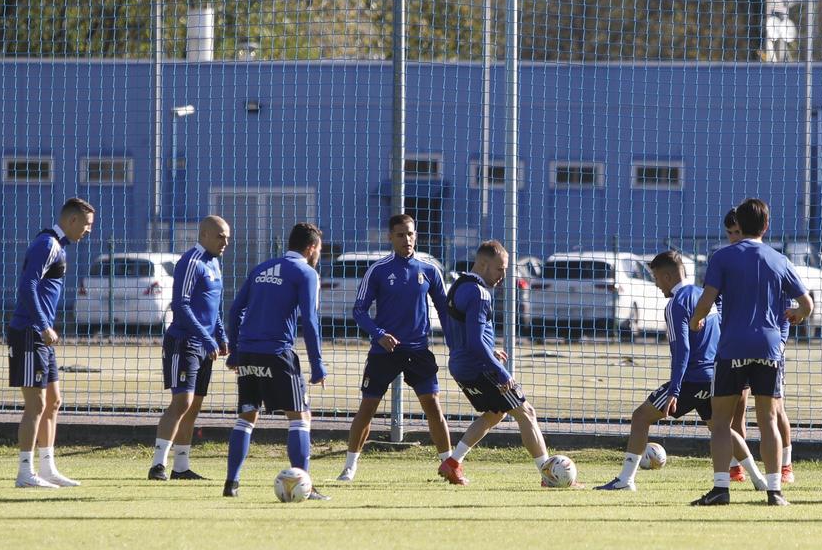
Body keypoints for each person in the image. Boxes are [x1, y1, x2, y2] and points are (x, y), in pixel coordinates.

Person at [596, 249, 764, 493]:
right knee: (722, 428)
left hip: (691, 380)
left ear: (666, 277)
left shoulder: (676, 304)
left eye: (655, 279)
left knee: (640, 417)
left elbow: (682, 349)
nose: (656, 285)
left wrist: (675, 389)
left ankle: (625, 479)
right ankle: (760, 479)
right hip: (716, 376)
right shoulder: (704, 296)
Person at [691, 197, 811, 507]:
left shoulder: (723, 258)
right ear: (767, 226)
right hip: (769, 347)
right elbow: (806, 304)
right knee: (768, 419)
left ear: (739, 226)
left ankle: (721, 488)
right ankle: (775, 491)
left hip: (733, 346)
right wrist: (797, 316)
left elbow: (707, 300)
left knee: (720, 422)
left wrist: (696, 319)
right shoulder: (780, 260)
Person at [337, 213, 455, 483]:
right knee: (367, 407)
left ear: (416, 235)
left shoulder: (429, 270)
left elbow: (445, 312)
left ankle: (450, 466)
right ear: (390, 237)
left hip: (417, 350)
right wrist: (379, 334)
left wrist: (455, 343)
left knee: (433, 407)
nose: (407, 239)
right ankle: (349, 467)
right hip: (384, 351)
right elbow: (359, 310)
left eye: (411, 234)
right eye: (400, 235)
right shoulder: (378, 270)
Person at [442, 239, 566, 485]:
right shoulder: (480, 294)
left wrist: (488, 349)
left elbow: (459, 333)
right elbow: (476, 343)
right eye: (500, 269)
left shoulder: (459, 285)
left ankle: (452, 462)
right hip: (481, 367)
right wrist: (500, 372)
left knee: (495, 413)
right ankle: (548, 475)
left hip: (460, 364)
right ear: (483, 264)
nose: (503, 275)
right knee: (526, 413)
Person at [221, 222, 327, 499]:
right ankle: (306, 486)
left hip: (248, 352)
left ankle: (231, 483)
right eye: (319, 250)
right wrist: (317, 366)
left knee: (246, 417)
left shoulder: (261, 269)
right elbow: (311, 322)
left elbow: (235, 309)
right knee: (300, 417)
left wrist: (234, 350)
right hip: (277, 353)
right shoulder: (306, 272)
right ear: (312, 247)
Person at [7, 197, 95, 489]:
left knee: (53, 402)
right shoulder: (47, 244)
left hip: (42, 335)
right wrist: (44, 324)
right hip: (30, 332)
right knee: (36, 404)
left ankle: (48, 469)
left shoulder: (58, 246)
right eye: (87, 224)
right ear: (72, 221)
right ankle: (25, 472)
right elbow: (28, 284)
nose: (88, 230)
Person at [149, 216, 231, 481]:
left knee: (194, 406)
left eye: (228, 237)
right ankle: (157, 465)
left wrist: (220, 335)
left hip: (205, 345)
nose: (225, 242)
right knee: (181, 402)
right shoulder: (191, 262)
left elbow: (213, 305)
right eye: (220, 236)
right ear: (204, 235)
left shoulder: (215, 263)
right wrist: (206, 339)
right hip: (184, 343)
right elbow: (181, 306)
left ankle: (181, 467)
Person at [721, 208, 796, 484]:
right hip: (737, 348)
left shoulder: (770, 262)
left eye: (737, 233)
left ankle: (785, 465)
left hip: (769, 349)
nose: (733, 238)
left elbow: (785, 310)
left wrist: (782, 342)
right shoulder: (729, 262)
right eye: (729, 233)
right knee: (736, 409)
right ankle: (736, 464)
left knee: (774, 410)